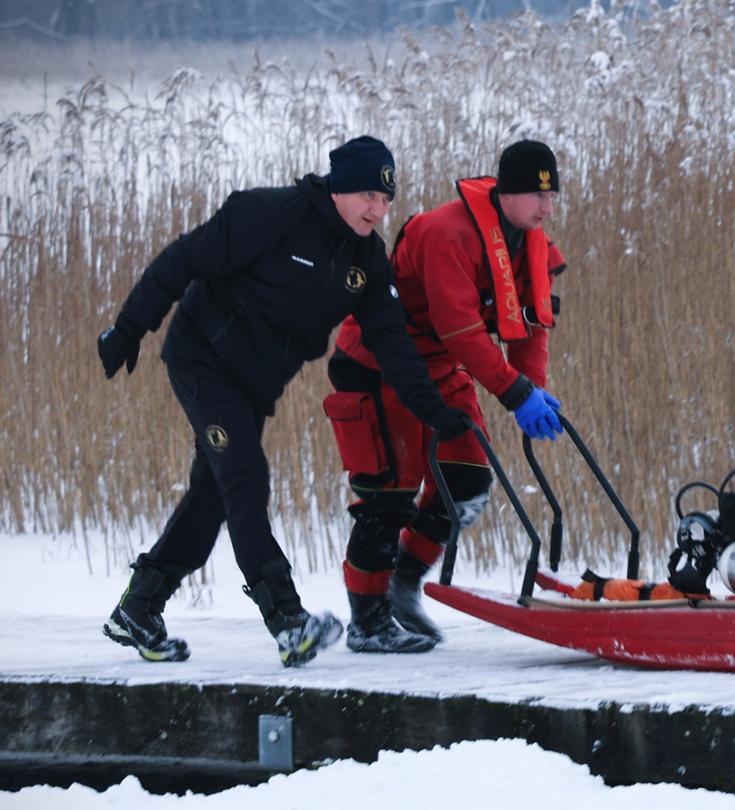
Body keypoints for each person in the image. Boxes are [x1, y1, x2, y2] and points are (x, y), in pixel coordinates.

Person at [97, 136, 470, 667]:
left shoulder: (366, 261)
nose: (378, 209)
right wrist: (130, 328)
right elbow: (184, 258)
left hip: (253, 386)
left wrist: (434, 412)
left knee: (213, 493)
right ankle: (288, 620)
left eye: (386, 199)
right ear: (339, 188)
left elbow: (396, 348)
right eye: (368, 194)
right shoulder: (268, 214)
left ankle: (140, 607)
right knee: (246, 478)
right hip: (203, 360)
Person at [326, 139, 568, 653]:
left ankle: (403, 584)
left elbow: (533, 322)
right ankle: (367, 621)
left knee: (468, 479)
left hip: (438, 366)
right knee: (387, 494)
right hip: (378, 361)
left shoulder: (533, 242)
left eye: (553, 196)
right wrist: (513, 391)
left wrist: (534, 389)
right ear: (505, 192)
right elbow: (460, 328)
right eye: (536, 196)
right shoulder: (446, 233)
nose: (547, 208)